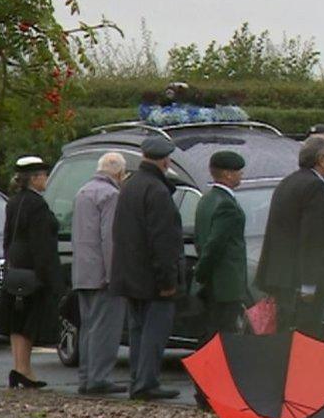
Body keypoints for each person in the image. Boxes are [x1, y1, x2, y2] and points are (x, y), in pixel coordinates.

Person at [110, 136, 182, 401]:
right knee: (154, 331)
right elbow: (163, 241)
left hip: (130, 274)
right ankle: (147, 382)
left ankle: (137, 380)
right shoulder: (158, 191)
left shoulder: (129, 186)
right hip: (152, 278)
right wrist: (167, 280)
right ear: (165, 160)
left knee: (139, 331)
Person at [255, 135, 324, 336]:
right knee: (306, 338)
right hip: (301, 281)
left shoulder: (288, 182)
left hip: (283, 277)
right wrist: (309, 283)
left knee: (286, 336)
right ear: (321, 159)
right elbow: (312, 237)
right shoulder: (314, 186)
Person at [0, 156, 62, 389]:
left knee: (16, 320)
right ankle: (24, 369)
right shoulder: (37, 205)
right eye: (43, 175)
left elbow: (7, 237)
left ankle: (19, 367)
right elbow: (41, 243)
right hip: (33, 270)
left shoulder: (14, 201)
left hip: (15, 268)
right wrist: (48, 275)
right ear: (34, 178)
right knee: (29, 322)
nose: (46, 179)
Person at [72, 152, 128, 395]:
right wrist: (113, 273)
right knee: (105, 328)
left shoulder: (82, 191)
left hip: (82, 271)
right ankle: (99, 377)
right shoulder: (111, 195)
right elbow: (110, 239)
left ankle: (86, 376)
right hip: (102, 272)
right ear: (119, 173)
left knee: (88, 326)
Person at [194, 151, 248, 339]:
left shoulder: (206, 200)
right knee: (224, 335)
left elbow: (199, 238)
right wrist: (202, 272)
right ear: (227, 174)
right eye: (238, 171)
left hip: (211, 283)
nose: (241, 175)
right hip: (225, 284)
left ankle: (207, 368)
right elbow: (215, 244)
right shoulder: (227, 205)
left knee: (210, 333)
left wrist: (201, 275)